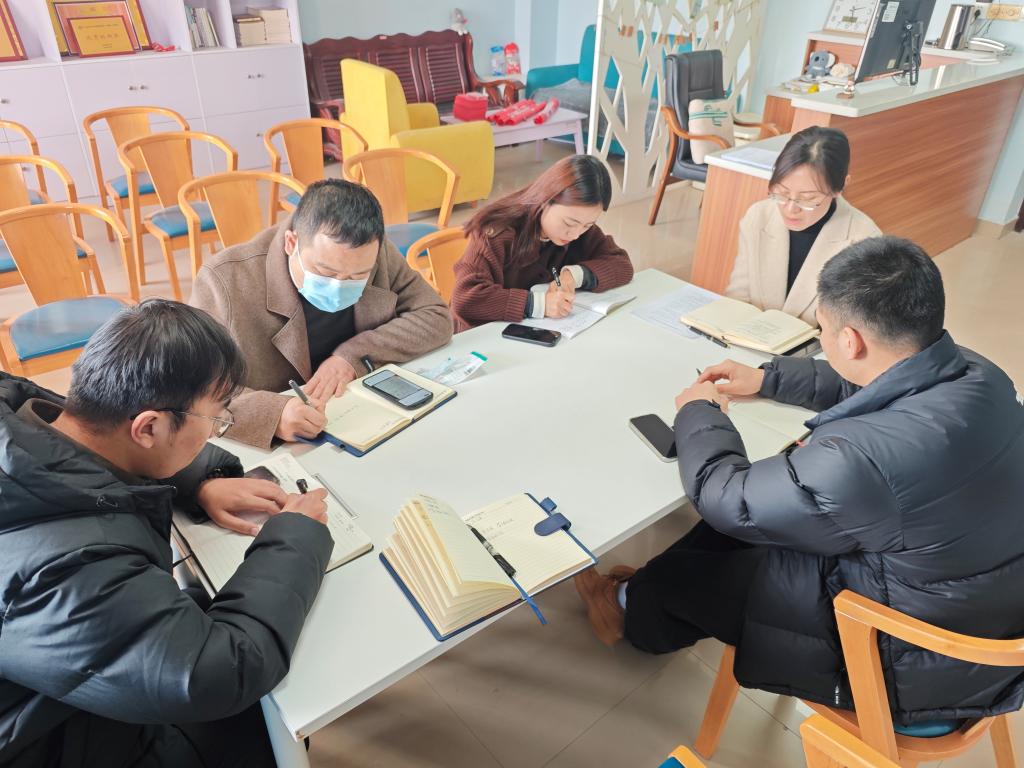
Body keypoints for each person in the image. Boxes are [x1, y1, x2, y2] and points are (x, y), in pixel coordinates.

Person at [576, 236, 1024, 725]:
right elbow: (881, 383)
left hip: (910, 656)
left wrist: (699, 413)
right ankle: (642, 595)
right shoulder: (978, 374)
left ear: (850, 340)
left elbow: (727, 498)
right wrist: (768, 379)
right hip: (976, 604)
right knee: (729, 536)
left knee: (685, 572)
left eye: (823, 329)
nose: (823, 338)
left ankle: (630, 613)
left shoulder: (856, 460)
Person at [0, 300, 333, 768]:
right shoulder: (70, 566)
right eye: (215, 419)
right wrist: (294, 540)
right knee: (262, 720)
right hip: (50, 739)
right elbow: (215, 674)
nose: (215, 432)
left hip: (57, 680)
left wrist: (200, 481)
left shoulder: (26, 418)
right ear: (150, 427)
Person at [191, 179, 453, 449]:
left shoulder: (369, 251)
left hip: (364, 421)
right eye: (326, 272)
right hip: (280, 446)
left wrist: (351, 357)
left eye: (358, 276)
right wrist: (273, 414)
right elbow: (192, 386)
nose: (340, 286)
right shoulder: (224, 281)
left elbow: (435, 316)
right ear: (291, 243)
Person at [449, 154, 634, 332]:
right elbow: (465, 299)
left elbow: (622, 264)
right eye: (569, 223)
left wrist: (574, 275)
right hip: (481, 339)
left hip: (531, 332)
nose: (576, 234)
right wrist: (539, 304)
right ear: (545, 200)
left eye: (588, 225)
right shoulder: (496, 233)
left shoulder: (578, 229)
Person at [725, 126, 880, 325]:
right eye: (782, 193)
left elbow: (852, 330)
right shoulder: (758, 216)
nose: (790, 209)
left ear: (840, 187)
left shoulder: (864, 241)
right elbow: (738, 298)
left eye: (807, 198)